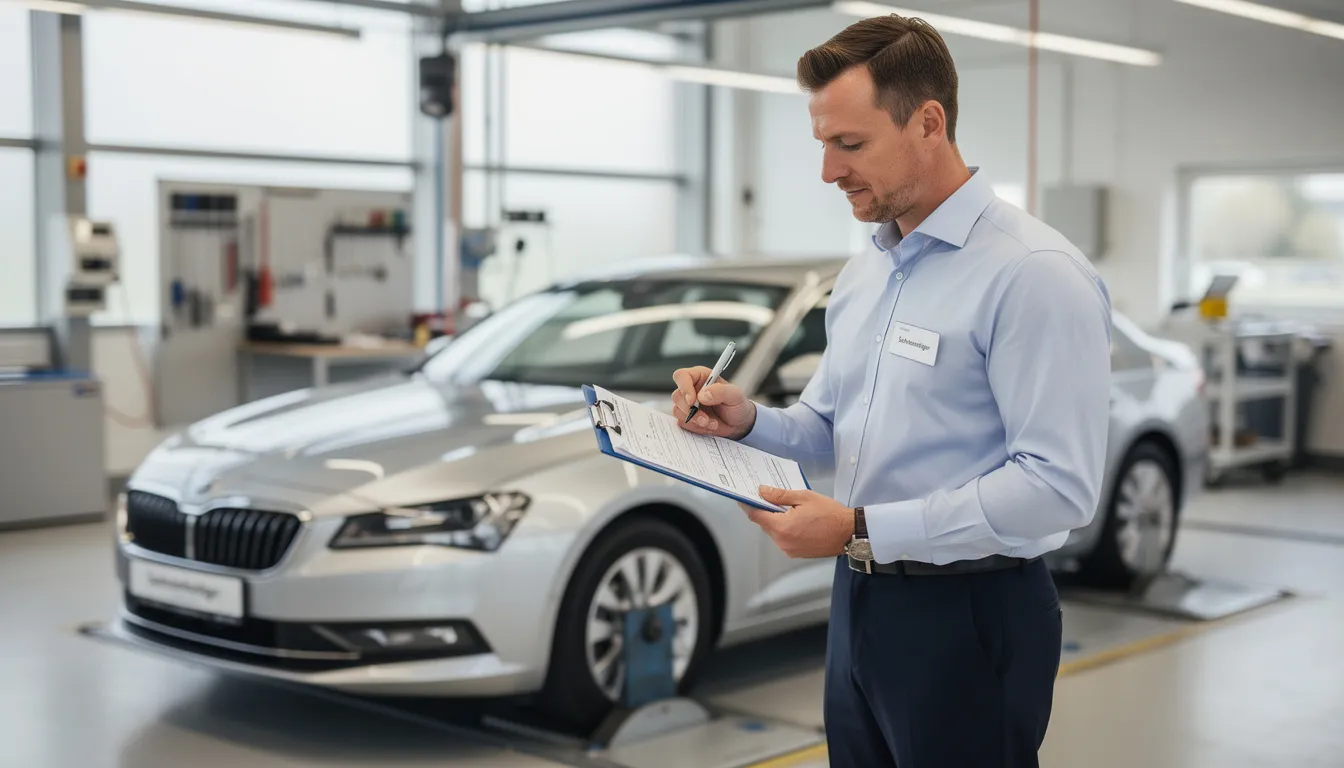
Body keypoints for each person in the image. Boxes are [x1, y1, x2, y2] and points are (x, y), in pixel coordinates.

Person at [670, 12, 1113, 768]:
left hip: (972, 610)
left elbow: (1057, 488)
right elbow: (828, 427)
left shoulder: (1033, 274)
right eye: (823, 144)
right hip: (859, 602)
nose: (828, 171)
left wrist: (860, 528)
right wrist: (745, 421)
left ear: (929, 123)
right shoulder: (868, 269)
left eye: (850, 144)